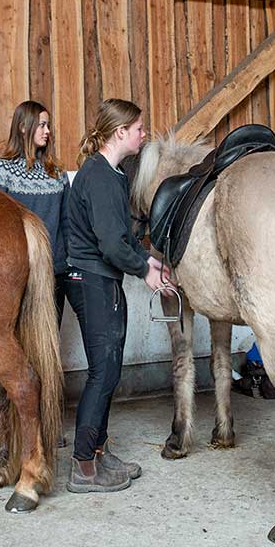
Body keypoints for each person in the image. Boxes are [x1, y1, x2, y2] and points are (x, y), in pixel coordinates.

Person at [64, 98, 171, 493]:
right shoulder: (100, 176)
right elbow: (110, 245)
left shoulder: (112, 174)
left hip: (101, 279)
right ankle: (82, 467)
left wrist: (146, 258)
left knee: (107, 371)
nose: (144, 135)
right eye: (139, 129)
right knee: (102, 373)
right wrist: (144, 269)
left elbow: (122, 238)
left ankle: (98, 454)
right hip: (93, 280)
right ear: (119, 132)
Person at [0, 100, 71, 448]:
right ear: (23, 127)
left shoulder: (57, 174)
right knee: (12, 353)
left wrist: (65, 268)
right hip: (13, 279)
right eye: (41, 125)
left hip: (52, 276)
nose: (47, 131)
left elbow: (64, 225)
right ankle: (14, 429)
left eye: (49, 125)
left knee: (46, 352)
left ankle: (48, 427)